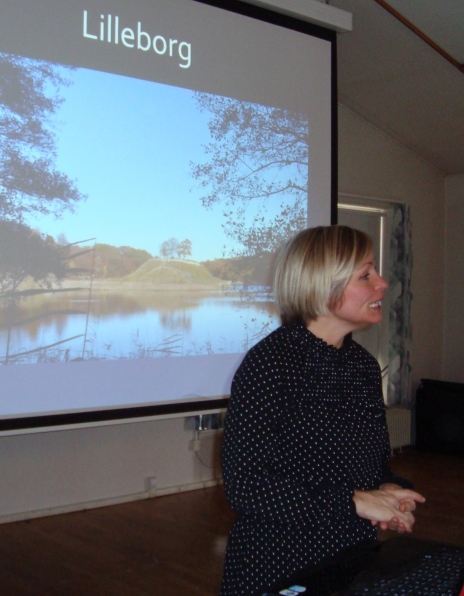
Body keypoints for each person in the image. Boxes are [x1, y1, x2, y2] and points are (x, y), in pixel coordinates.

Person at [220, 225, 425, 596]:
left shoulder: (361, 366)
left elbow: (372, 467)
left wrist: (390, 490)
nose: (382, 283)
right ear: (320, 285)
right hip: (277, 566)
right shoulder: (270, 364)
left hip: (350, 558)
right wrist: (355, 502)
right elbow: (245, 487)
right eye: (366, 274)